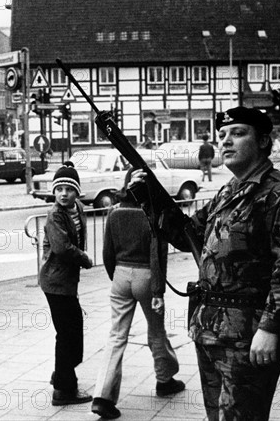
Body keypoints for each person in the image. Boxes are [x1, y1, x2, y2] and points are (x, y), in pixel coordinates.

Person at [129, 106, 280, 420]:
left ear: (262, 141)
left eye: (238, 133)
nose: (226, 141)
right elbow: (189, 235)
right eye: (222, 135)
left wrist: (272, 326)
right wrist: (148, 197)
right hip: (210, 330)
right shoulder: (227, 192)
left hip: (248, 336)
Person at [92, 169, 185, 419]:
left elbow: (107, 252)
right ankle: (165, 380)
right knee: (156, 330)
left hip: (121, 275)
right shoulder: (153, 216)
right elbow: (158, 255)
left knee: (116, 335)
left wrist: (118, 276)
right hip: (147, 276)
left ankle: (103, 396)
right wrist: (157, 291)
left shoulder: (114, 212)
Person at [39, 164, 94, 406]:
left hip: (67, 281)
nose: (63, 194)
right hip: (55, 281)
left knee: (72, 331)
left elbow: (79, 236)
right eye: (58, 189)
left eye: (68, 189)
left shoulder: (78, 208)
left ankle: (61, 375)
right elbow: (61, 248)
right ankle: (63, 389)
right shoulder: (55, 216)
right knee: (67, 334)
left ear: (77, 192)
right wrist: (84, 258)